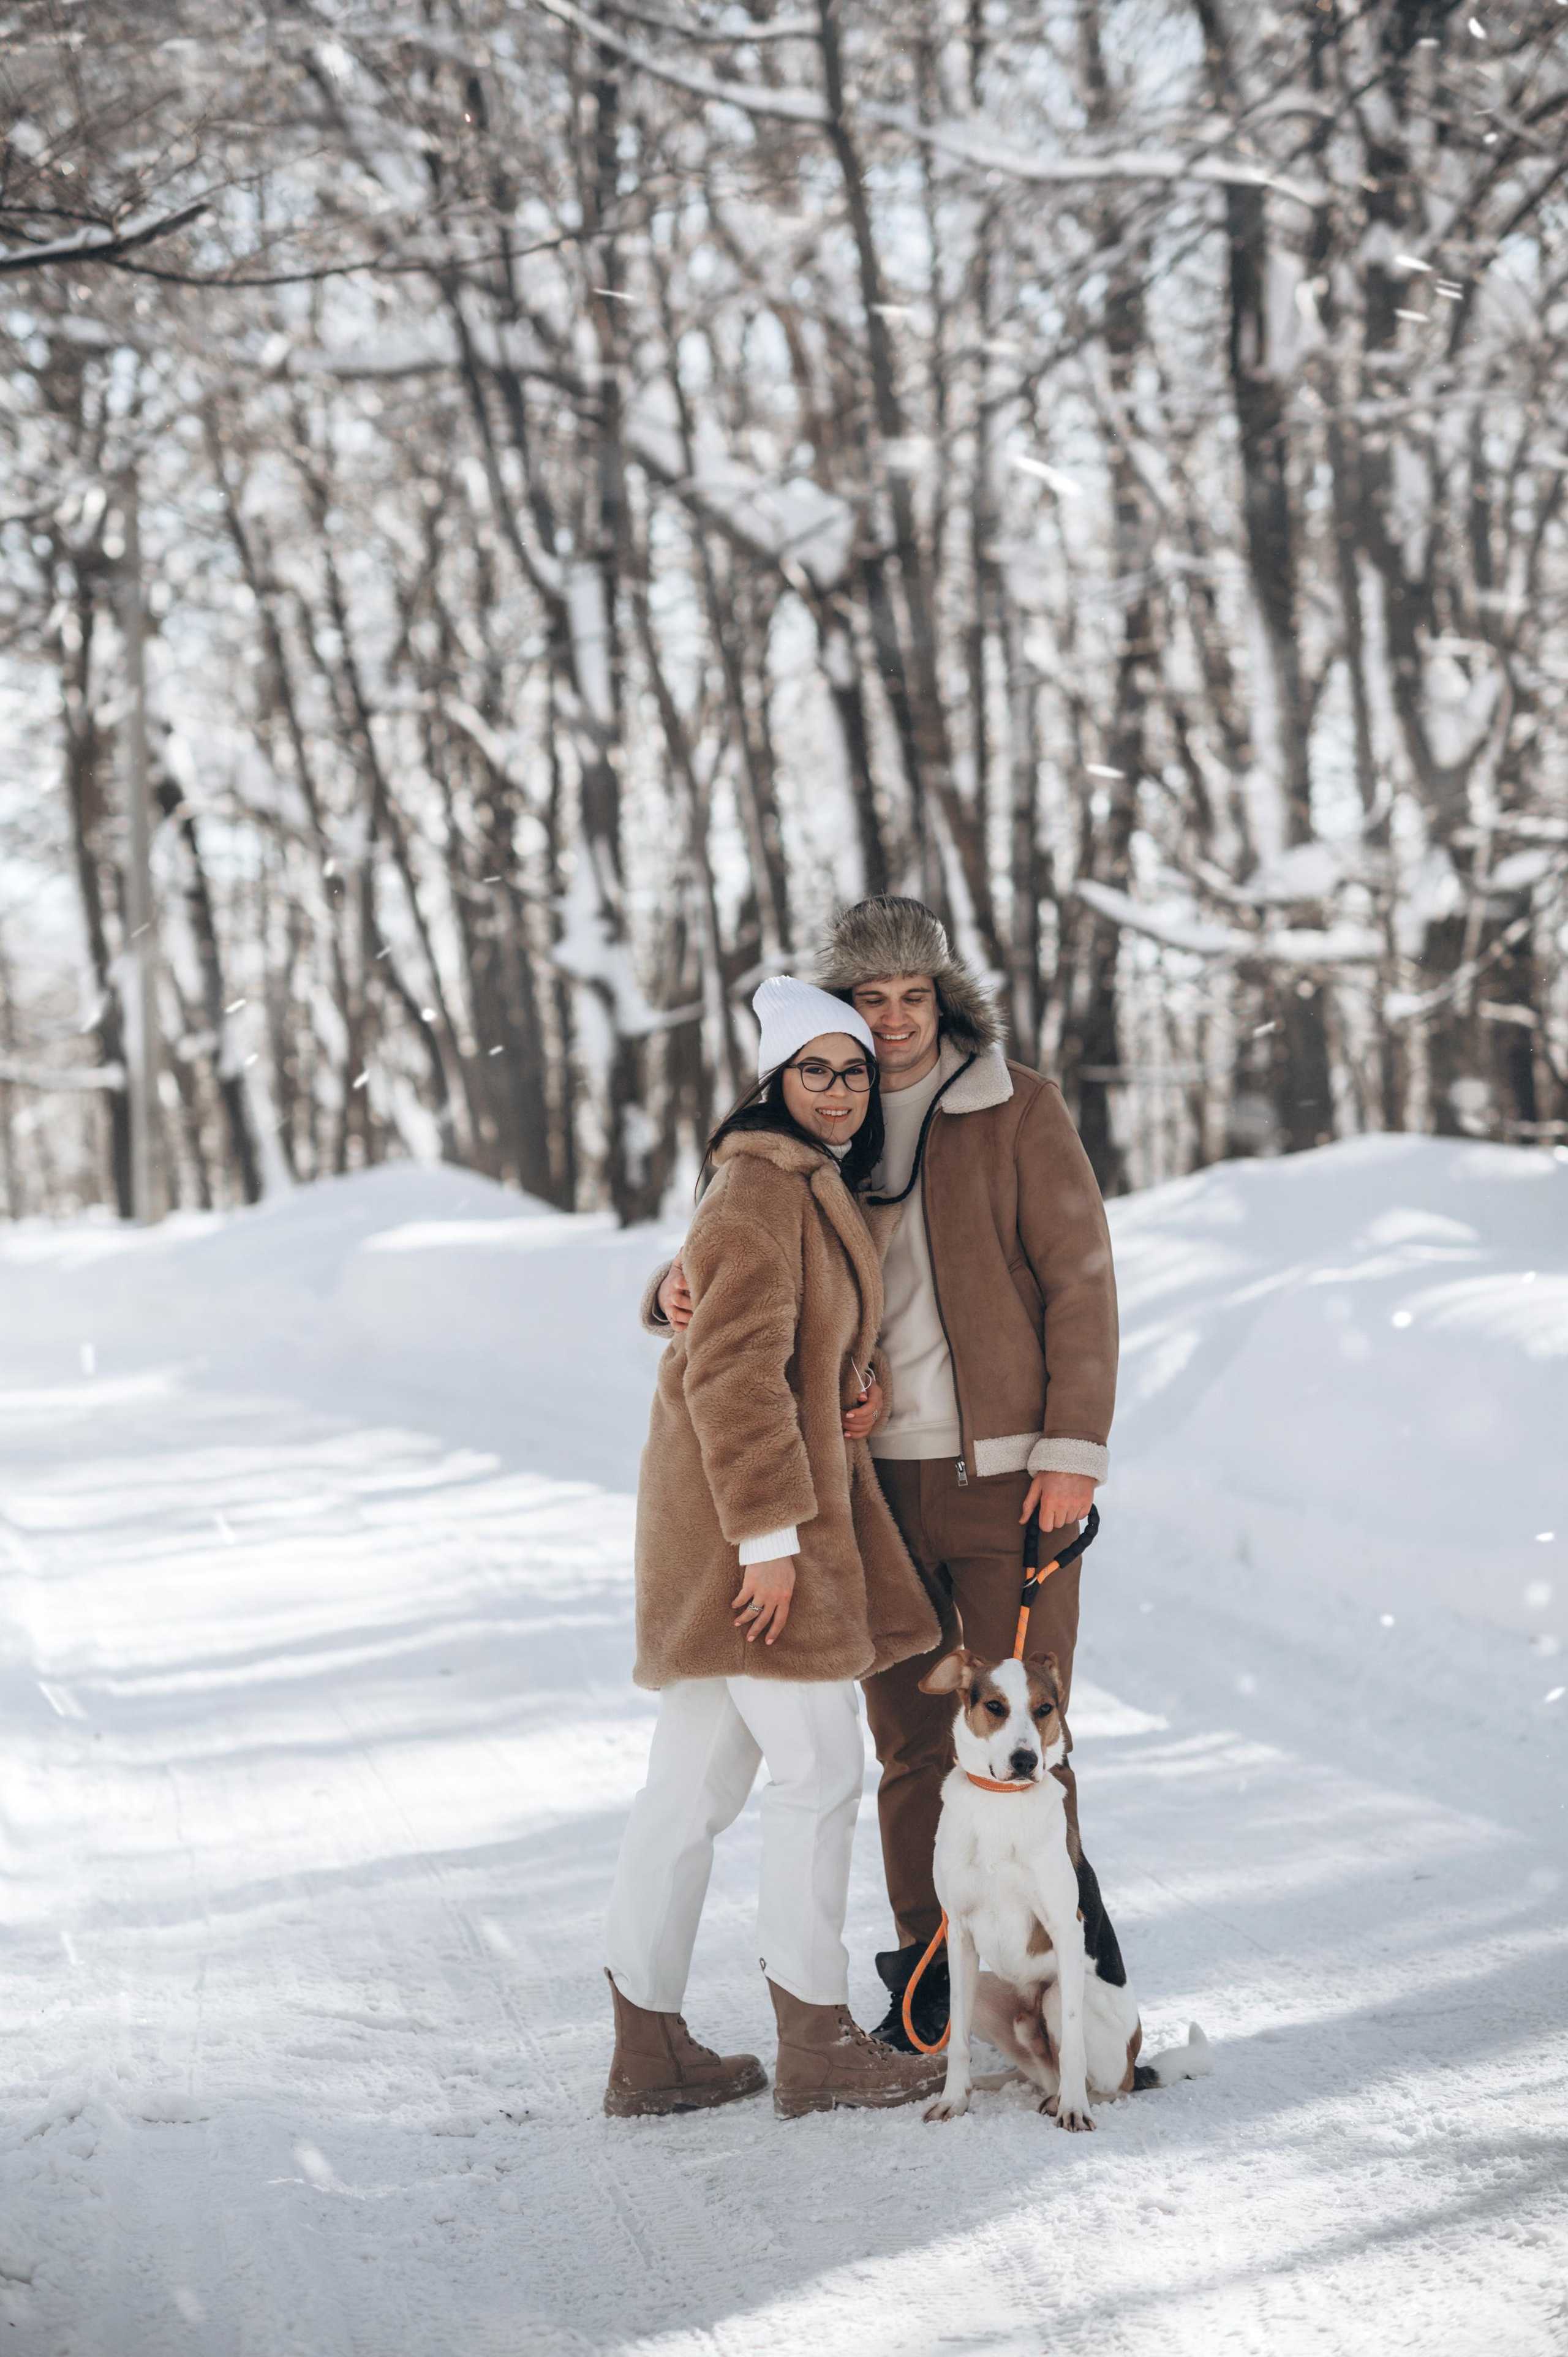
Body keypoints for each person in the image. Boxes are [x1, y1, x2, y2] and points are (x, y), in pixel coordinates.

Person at [653, 901, 1118, 2054]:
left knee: (1030, 1729)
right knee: (913, 1741)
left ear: (945, 999)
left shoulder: (1019, 1109)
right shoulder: (829, 1108)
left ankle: (1077, 1977)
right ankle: (935, 1977)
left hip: (1009, 1479)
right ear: (841, 1015)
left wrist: (1070, 1451)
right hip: (870, 1485)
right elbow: (748, 1240)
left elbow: (1082, 1282)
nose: (896, 1021)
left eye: (916, 996)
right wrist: (669, 1278)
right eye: (873, 1000)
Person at [605, 975, 946, 2121]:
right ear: (776, 1081)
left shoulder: (785, 1181)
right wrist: (768, 1540)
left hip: (722, 1531)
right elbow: (734, 1373)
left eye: (853, 1070)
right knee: (818, 1772)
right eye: (817, 1070)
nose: (842, 1090)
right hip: (749, 1534)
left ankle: (647, 2046)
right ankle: (817, 2040)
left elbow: (784, 1341)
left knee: (690, 1791)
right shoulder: (762, 1188)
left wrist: (855, 1383)